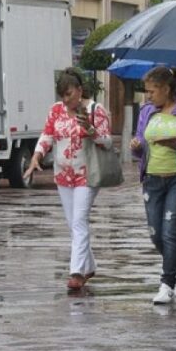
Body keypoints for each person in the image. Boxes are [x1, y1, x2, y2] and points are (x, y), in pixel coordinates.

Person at [24, 68, 113, 291]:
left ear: (80, 91)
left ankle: (76, 272)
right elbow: (47, 135)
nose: (66, 99)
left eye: (70, 94)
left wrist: (91, 131)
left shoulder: (95, 110)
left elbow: (108, 142)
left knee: (79, 221)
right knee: (73, 224)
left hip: (87, 174)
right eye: (62, 95)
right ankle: (89, 265)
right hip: (63, 175)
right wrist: (37, 156)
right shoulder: (56, 111)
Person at [129, 67, 176, 304]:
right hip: (152, 179)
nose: (148, 96)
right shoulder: (147, 111)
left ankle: (166, 283)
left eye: (152, 91)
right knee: (156, 235)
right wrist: (137, 146)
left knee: (171, 233)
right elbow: (140, 143)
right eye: (146, 91)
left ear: (167, 88)